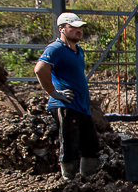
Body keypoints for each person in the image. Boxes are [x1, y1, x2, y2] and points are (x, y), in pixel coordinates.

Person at [35, 12, 100, 180]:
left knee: (91, 143)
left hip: (81, 105)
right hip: (66, 105)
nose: (79, 31)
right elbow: (40, 69)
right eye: (74, 27)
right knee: (69, 142)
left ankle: (89, 179)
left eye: (81, 28)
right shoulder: (55, 49)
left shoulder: (78, 51)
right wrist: (54, 93)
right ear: (61, 29)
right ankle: (69, 180)